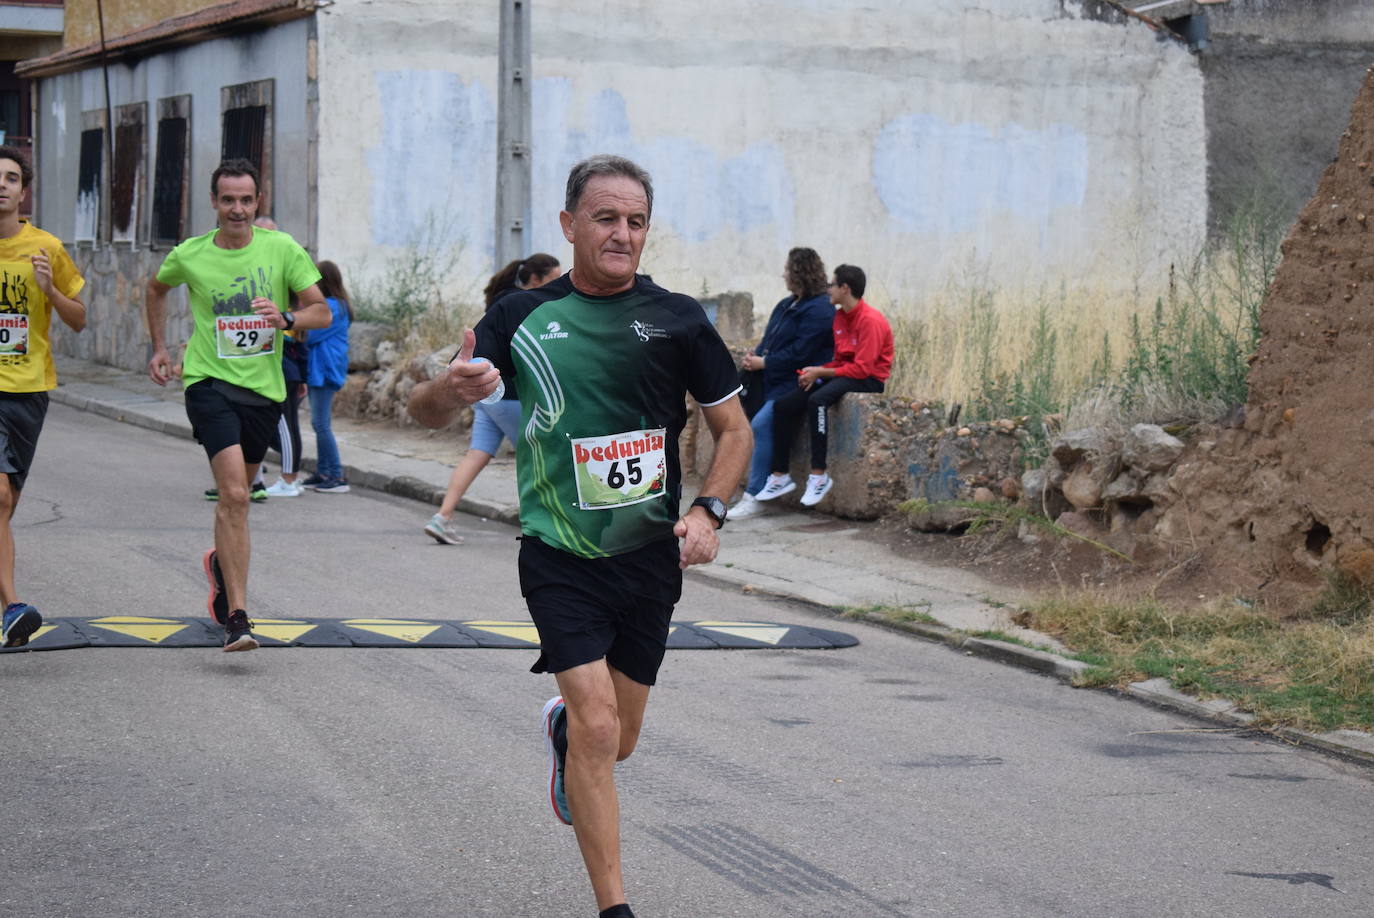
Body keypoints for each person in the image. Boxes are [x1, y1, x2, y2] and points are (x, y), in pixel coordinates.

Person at [408, 154, 750, 918]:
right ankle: (614, 908)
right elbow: (424, 411)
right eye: (606, 218)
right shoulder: (521, 317)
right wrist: (447, 389)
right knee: (601, 731)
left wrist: (709, 511)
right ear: (569, 226)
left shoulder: (679, 319)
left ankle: (563, 733)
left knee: (616, 739)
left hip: (649, 557)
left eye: (635, 221)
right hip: (559, 554)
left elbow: (734, 431)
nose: (622, 234)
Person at [145, 158, 330, 652]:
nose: (238, 209)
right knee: (235, 495)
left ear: (258, 202)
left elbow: (323, 311)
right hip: (208, 383)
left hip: (264, 391)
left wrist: (287, 315)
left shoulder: (281, 248)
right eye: (228, 199)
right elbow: (155, 289)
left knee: (237, 499)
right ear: (214, 202)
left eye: (246, 200)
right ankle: (239, 617)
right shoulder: (191, 254)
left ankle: (219, 569)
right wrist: (160, 348)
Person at [0, 145, 86, 647]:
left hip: (29, 390)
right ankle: (13, 605)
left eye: (12, 178)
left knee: (6, 506)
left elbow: (78, 317)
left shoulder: (45, 247)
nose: (2, 185)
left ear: (23, 191)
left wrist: (51, 290)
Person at [423, 252, 561, 544]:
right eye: (553, 280)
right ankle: (545, 528)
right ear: (535, 280)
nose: (558, 286)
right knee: (540, 457)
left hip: (487, 398)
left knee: (477, 453)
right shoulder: (523, 307)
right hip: (509, 395)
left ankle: (442, 517)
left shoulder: (501, 300)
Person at [754, 263, 894, 507]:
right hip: (845, 374)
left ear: (845, 288)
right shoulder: (840, 316)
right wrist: (814, 373)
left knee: (817, 400)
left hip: (868, 380)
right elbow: (841, 360)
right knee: (784, 405)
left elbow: (863, 369)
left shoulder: (870, 320)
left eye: (832, 284)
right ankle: (780, 475)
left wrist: (821, 371)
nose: (827, 289)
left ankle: (818, 475)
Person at [729, 247, 834, 520]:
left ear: (799, 272)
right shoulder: (788, 304)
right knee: (741, 425)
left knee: (761, 425)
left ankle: (754, 496)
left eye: (787, 269)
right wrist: (757, 355)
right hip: (770, 381)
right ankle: (742, 487)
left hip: (795, 383)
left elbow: (802, 352)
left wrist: (767, 362)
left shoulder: (820, 309)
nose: (783, 274)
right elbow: (771, 339)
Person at [304, 259, 353, 493]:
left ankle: (335, 475)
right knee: (319, 423)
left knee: (321, 424)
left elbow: (311, 336)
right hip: (323, 368)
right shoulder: (339, 305)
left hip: (324, 369)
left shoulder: (332, 307)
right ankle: (323, 471)